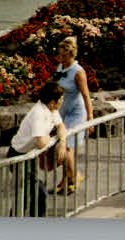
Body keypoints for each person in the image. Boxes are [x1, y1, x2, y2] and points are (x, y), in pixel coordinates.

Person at [7, 80, 67, 216]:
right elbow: (41, 142)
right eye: (61, 99)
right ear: (52, 102)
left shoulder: (51, 110)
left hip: (30, 155)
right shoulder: (39, 113)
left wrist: (62, 142)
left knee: (31, 195)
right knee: (34, 194)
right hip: (18, 156)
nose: (62, 101)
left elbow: (61, 127)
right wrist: (50, 135)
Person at [54, 36, 93, 193]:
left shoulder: (78, 72)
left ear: (72, 55)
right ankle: (66, 178)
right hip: (62, 112)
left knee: (67, 147)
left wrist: (90, 118)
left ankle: (75, 175)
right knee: (61, 146)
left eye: (64, 56)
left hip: (76, 113)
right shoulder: (60, 68)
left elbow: (86, 95)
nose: (61, 58)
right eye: (60, 55)